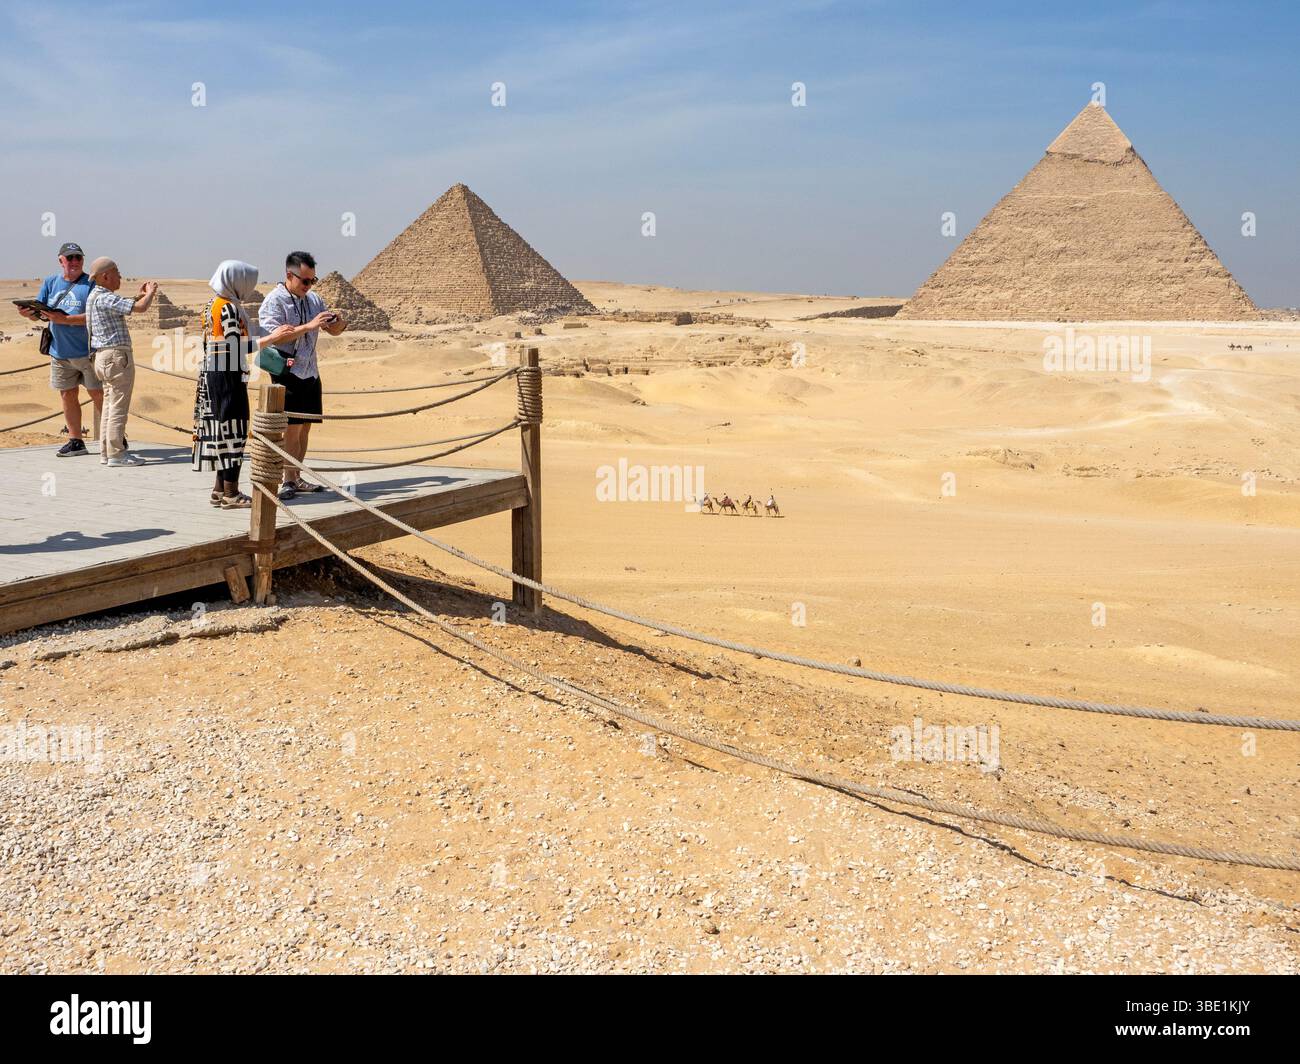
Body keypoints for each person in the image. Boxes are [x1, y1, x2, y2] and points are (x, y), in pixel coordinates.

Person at [193, 262, 294, 508]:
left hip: (215, 373)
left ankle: (220, 490)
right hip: (226, 376)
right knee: (234, 431)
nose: (250, 288)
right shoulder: (228, 308)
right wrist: (273, 339)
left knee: (223, 430)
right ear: (236, 281)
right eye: (248, 283)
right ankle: (231, 493)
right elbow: (234, 346)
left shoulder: (214, 304)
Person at [258, 251, 347, 499]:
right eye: (305, 281)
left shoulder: (314, 300)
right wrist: (308, 326)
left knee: (305, 427)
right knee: (292, 429)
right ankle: (287, 480)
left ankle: (296, 476)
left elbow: (335, 332)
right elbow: (274, 337)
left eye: (313, 281)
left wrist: (338, 322)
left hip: (310, 372)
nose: (309, 286)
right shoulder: (274, 301)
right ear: (289, 275)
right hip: (288, 372)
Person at [18, 243, 103, 457]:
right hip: (60, 351)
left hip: (88, 352)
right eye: (70, 258)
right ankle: (76, 440)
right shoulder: (50, 283)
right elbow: (43, 313)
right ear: (61, 261)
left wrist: (64, 319)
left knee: (99, 395)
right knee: (67, 395)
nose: (74, 262)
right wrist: (29, 314)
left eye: (78, 258)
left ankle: (114, 438)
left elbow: (95, 315)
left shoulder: (91, 284)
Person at [84, 258, 157, 467]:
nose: (121, 277)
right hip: (115, 357)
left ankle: (107, 453)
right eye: (117, 272)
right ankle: (117, 454)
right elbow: (140, 308)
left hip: (102, 358)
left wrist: (140, 296)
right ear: (106, 276)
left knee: (109, 405)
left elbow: (127, 305)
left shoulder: (94, 297)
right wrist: (150, 293)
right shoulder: (105, 297)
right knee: (117, 407)